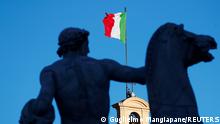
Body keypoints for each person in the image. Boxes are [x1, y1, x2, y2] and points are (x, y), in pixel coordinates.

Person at [20, 27, 146, 124]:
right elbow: (139, 75)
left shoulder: (52, 72)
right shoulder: (103, 66)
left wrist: (29, 109)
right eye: (87, 45)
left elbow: (42, 105)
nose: (89, 50)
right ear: (82, 45)